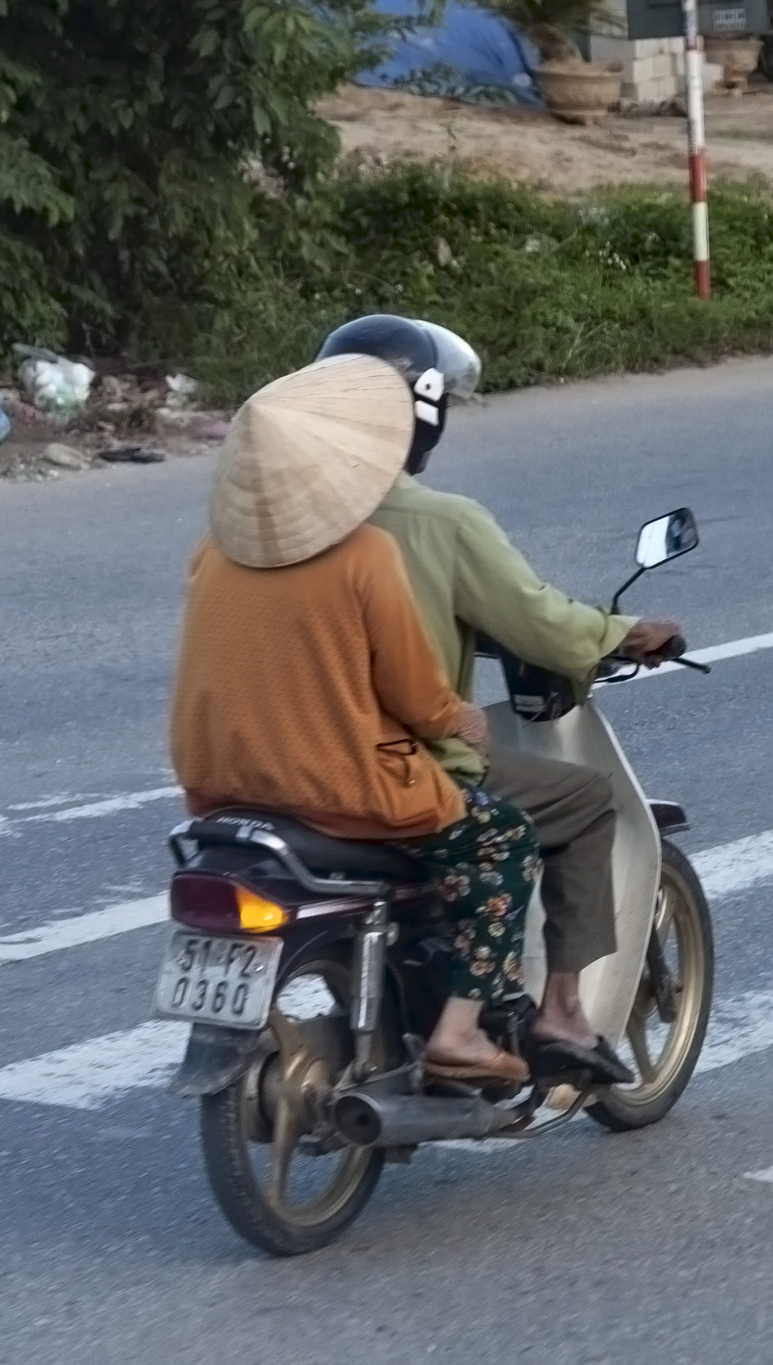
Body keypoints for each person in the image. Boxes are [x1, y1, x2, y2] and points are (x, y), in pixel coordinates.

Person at [317, 315, 683, 1083]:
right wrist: (625, 630)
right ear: (422, 412)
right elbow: (540, 621)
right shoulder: (442, 522)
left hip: (294, 762)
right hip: (400, 766)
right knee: (583, 801)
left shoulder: (291, 521)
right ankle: (560, 1012)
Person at [169, 354, 541, 1084]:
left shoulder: (212, 553)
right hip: (345, 790)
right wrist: (462, 719)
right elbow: (416, 693)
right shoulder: (367, 553)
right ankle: (461, 1032)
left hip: (222, 785)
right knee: (504, 840)